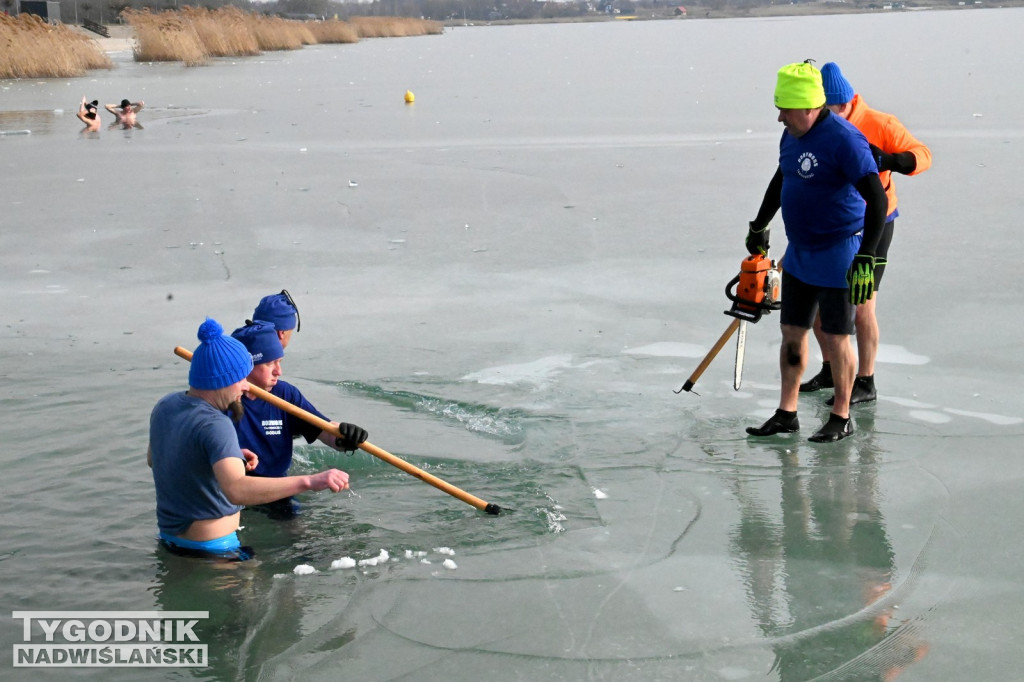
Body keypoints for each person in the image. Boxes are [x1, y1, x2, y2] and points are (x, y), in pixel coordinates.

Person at [744, 60, 888, 443]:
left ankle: (841, 415)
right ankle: (786, 412)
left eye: (785, 109)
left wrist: (866, 257)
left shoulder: (844, 139)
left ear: (810, 107)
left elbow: (877, 200)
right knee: (792, 331)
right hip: (801, 252)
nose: (779, 117)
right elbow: (782, 178)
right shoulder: (792, 135)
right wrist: (759, 224)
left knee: (839, 336)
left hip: (839, 251)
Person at [148, 318, 350, 560]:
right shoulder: (217, 423)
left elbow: (155, 458)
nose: (246, 387)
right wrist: (310, 481)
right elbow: (237, 491)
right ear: (224, 380)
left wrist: (227, 457)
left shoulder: (166, 405)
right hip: (216, 549)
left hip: (170, 538)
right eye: (242, 378)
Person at [799, 62, 933, 405]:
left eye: (831, 109)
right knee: (819, 309)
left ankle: (866, 380)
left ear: (844, 103)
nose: (827, 116)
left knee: (862, 305)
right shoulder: (816, 128)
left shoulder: (880, 123)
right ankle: (832, 368)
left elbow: (923, 155)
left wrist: (889, 160)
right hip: (834, 225)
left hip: (876, 221)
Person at [230, 320, 367, 517]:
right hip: (231, 490)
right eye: (269, 363)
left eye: (279, 362)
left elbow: (324, 431)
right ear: (246, 365)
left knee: (299, 537)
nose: (279, 371)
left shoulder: (285, 394)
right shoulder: (223, 399)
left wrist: (346, 438)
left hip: (276, 489)